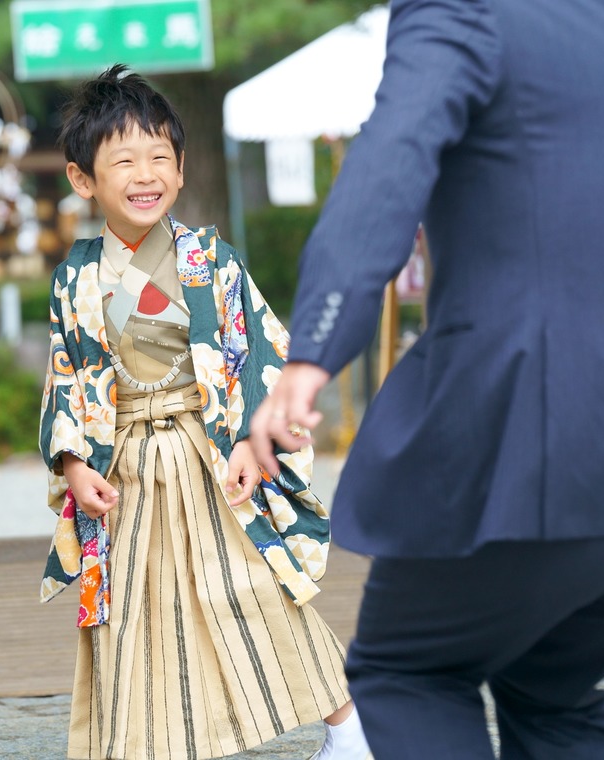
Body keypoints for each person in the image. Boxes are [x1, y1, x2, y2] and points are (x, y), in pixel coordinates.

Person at [249, 1, 604, 758]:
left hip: (533, 445)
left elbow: (388, 165)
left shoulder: (464, 8)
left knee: (411, 671)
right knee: (549, 688)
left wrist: (311, 354)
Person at [37, 65, 370, 760]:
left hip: (207, 452)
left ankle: (349, 726)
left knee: (251, 586)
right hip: (124, 465)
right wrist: (72, 463)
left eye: (160, 156)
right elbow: (65, 376)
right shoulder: (77, 277)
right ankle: (148, 743)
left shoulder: (210, 260)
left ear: (182, 168)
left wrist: (253, 440)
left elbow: (260, 352)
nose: (146, 174)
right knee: (137, 607)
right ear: (82, 179)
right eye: (123, 161)